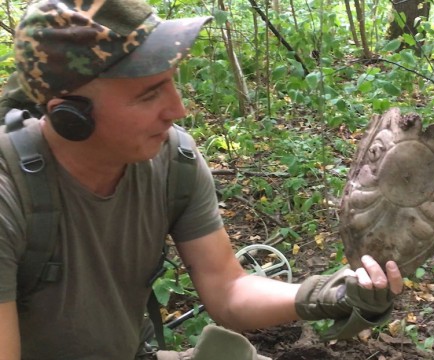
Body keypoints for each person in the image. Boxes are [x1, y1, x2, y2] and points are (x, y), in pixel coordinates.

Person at [0, 1, 404, 359]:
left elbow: (227, 290)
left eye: (172, 81)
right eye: (148, 95)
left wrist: (329, 293)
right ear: (70, 116)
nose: (177, 109)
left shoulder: (172, 160)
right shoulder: (9, 192)